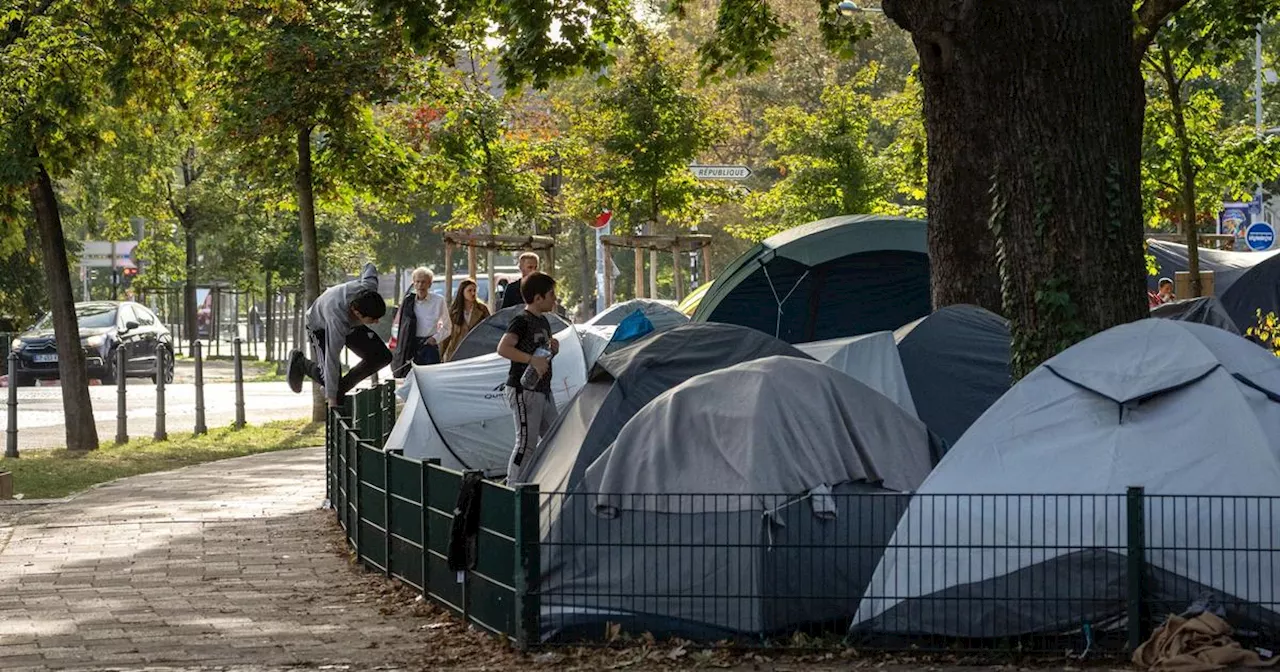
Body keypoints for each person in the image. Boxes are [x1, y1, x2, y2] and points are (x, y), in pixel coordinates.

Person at [287, 262, 390, 408]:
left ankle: (338, 390)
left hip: (352, 324)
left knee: (382, 357)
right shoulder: (336, 319)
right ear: (358, 313)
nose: (377, 322)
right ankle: (300, 362)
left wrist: (336, 391)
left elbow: (369, 266)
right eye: (373, 319)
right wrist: (332, 399)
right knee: (328, 377)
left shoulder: (368, 289)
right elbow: (332, 358)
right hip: (319, 327)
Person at [496, 272, 560, 482]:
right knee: (526, 443)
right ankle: (513, 487)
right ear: (538, 297)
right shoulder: (521, 320)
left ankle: (544, 480)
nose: (555, 299)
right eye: (551, 294)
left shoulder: (543, 321)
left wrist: (552, 351)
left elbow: (541, 352)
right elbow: (504, 348)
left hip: (542, 390)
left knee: (555, 437)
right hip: (524, 390)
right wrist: (531, 360)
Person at [389, 267, 451, 377]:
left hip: (429, 346)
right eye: (417, 281)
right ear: (413, 283)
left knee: (432, 378)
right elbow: (401, 327)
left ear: (429, 284)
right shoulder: (408, 302)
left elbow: (447, 327)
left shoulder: (438, 301)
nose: (420, 285)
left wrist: (435, 339)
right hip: (410, 346)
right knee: (410, 379)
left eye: (423, 282)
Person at [441, 278, 490, 362]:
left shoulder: (482, 309)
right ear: (462, 292)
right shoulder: (454, 312)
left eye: (475, 290)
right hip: (457, 350)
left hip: (477, 350)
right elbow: (447, 335)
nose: (473, 293)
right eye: (469, 290)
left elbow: (489, 329)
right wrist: (441, 355)